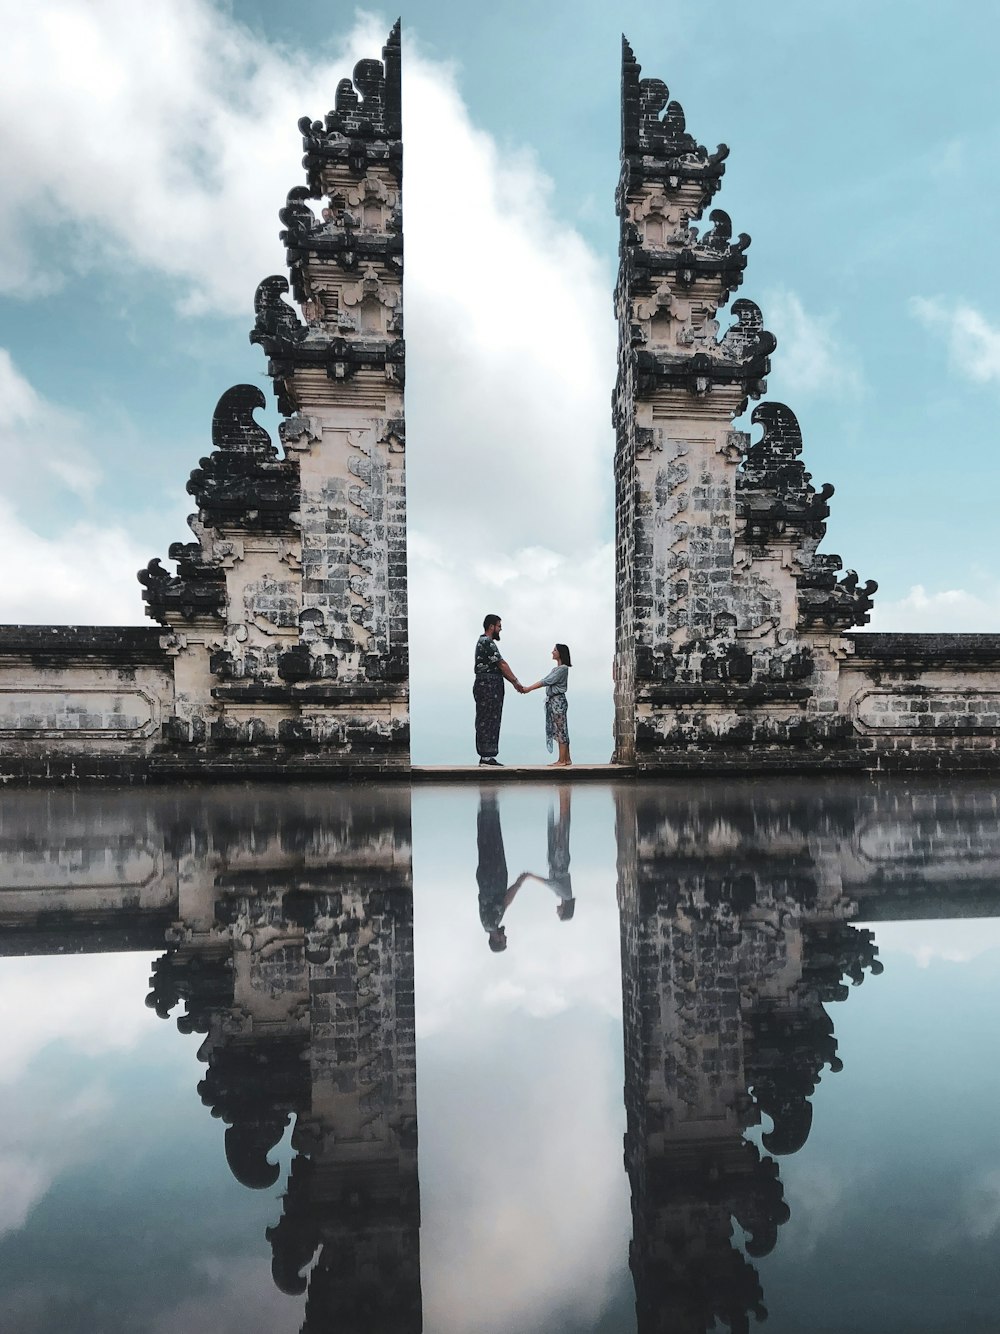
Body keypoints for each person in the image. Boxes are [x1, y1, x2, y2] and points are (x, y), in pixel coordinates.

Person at [476, 791, 528, 952]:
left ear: (496, 940)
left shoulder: (492, 923)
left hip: (493, 875)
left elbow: (505, 901)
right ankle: (487, 802)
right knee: (486, 838)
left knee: (492, 838)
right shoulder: (487, 923)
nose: (506, 937)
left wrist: (519, 883)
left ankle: (489, 800)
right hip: (486, 876)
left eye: (504, 941)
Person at [473, 614, 524, 766]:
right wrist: (516, 682)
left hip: (489, 684)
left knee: (490, 719)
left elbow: (501, 668)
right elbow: (502, 664)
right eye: (499, 626)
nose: (500, 629)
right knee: (488, 719)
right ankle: (486, 756)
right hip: (488, 685)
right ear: (491, 627)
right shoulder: (486, 642)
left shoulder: (485, 642)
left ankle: (487, 755)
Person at [519, 787, 575, 921]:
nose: (557, 911)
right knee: (562, 824)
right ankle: (564, 793)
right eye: (559, 913)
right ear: (564, 910)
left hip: (557, 858)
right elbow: (551, 883)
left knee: (561, 824)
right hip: (559, 858)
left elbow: (551, 883)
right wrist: (531, 876)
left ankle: (564, 793)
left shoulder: (563, 895)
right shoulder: (566, 895)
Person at [522, 643, 572, 766]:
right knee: (559, 728)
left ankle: (562, 760)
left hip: (557, 701)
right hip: (553, 701)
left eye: (555, 650)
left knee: (561, 729)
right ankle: (566, 759)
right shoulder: (556, 669)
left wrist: (528, 688)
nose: (552, 652)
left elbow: (546, 681)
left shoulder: (562, 669)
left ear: (560, 653)